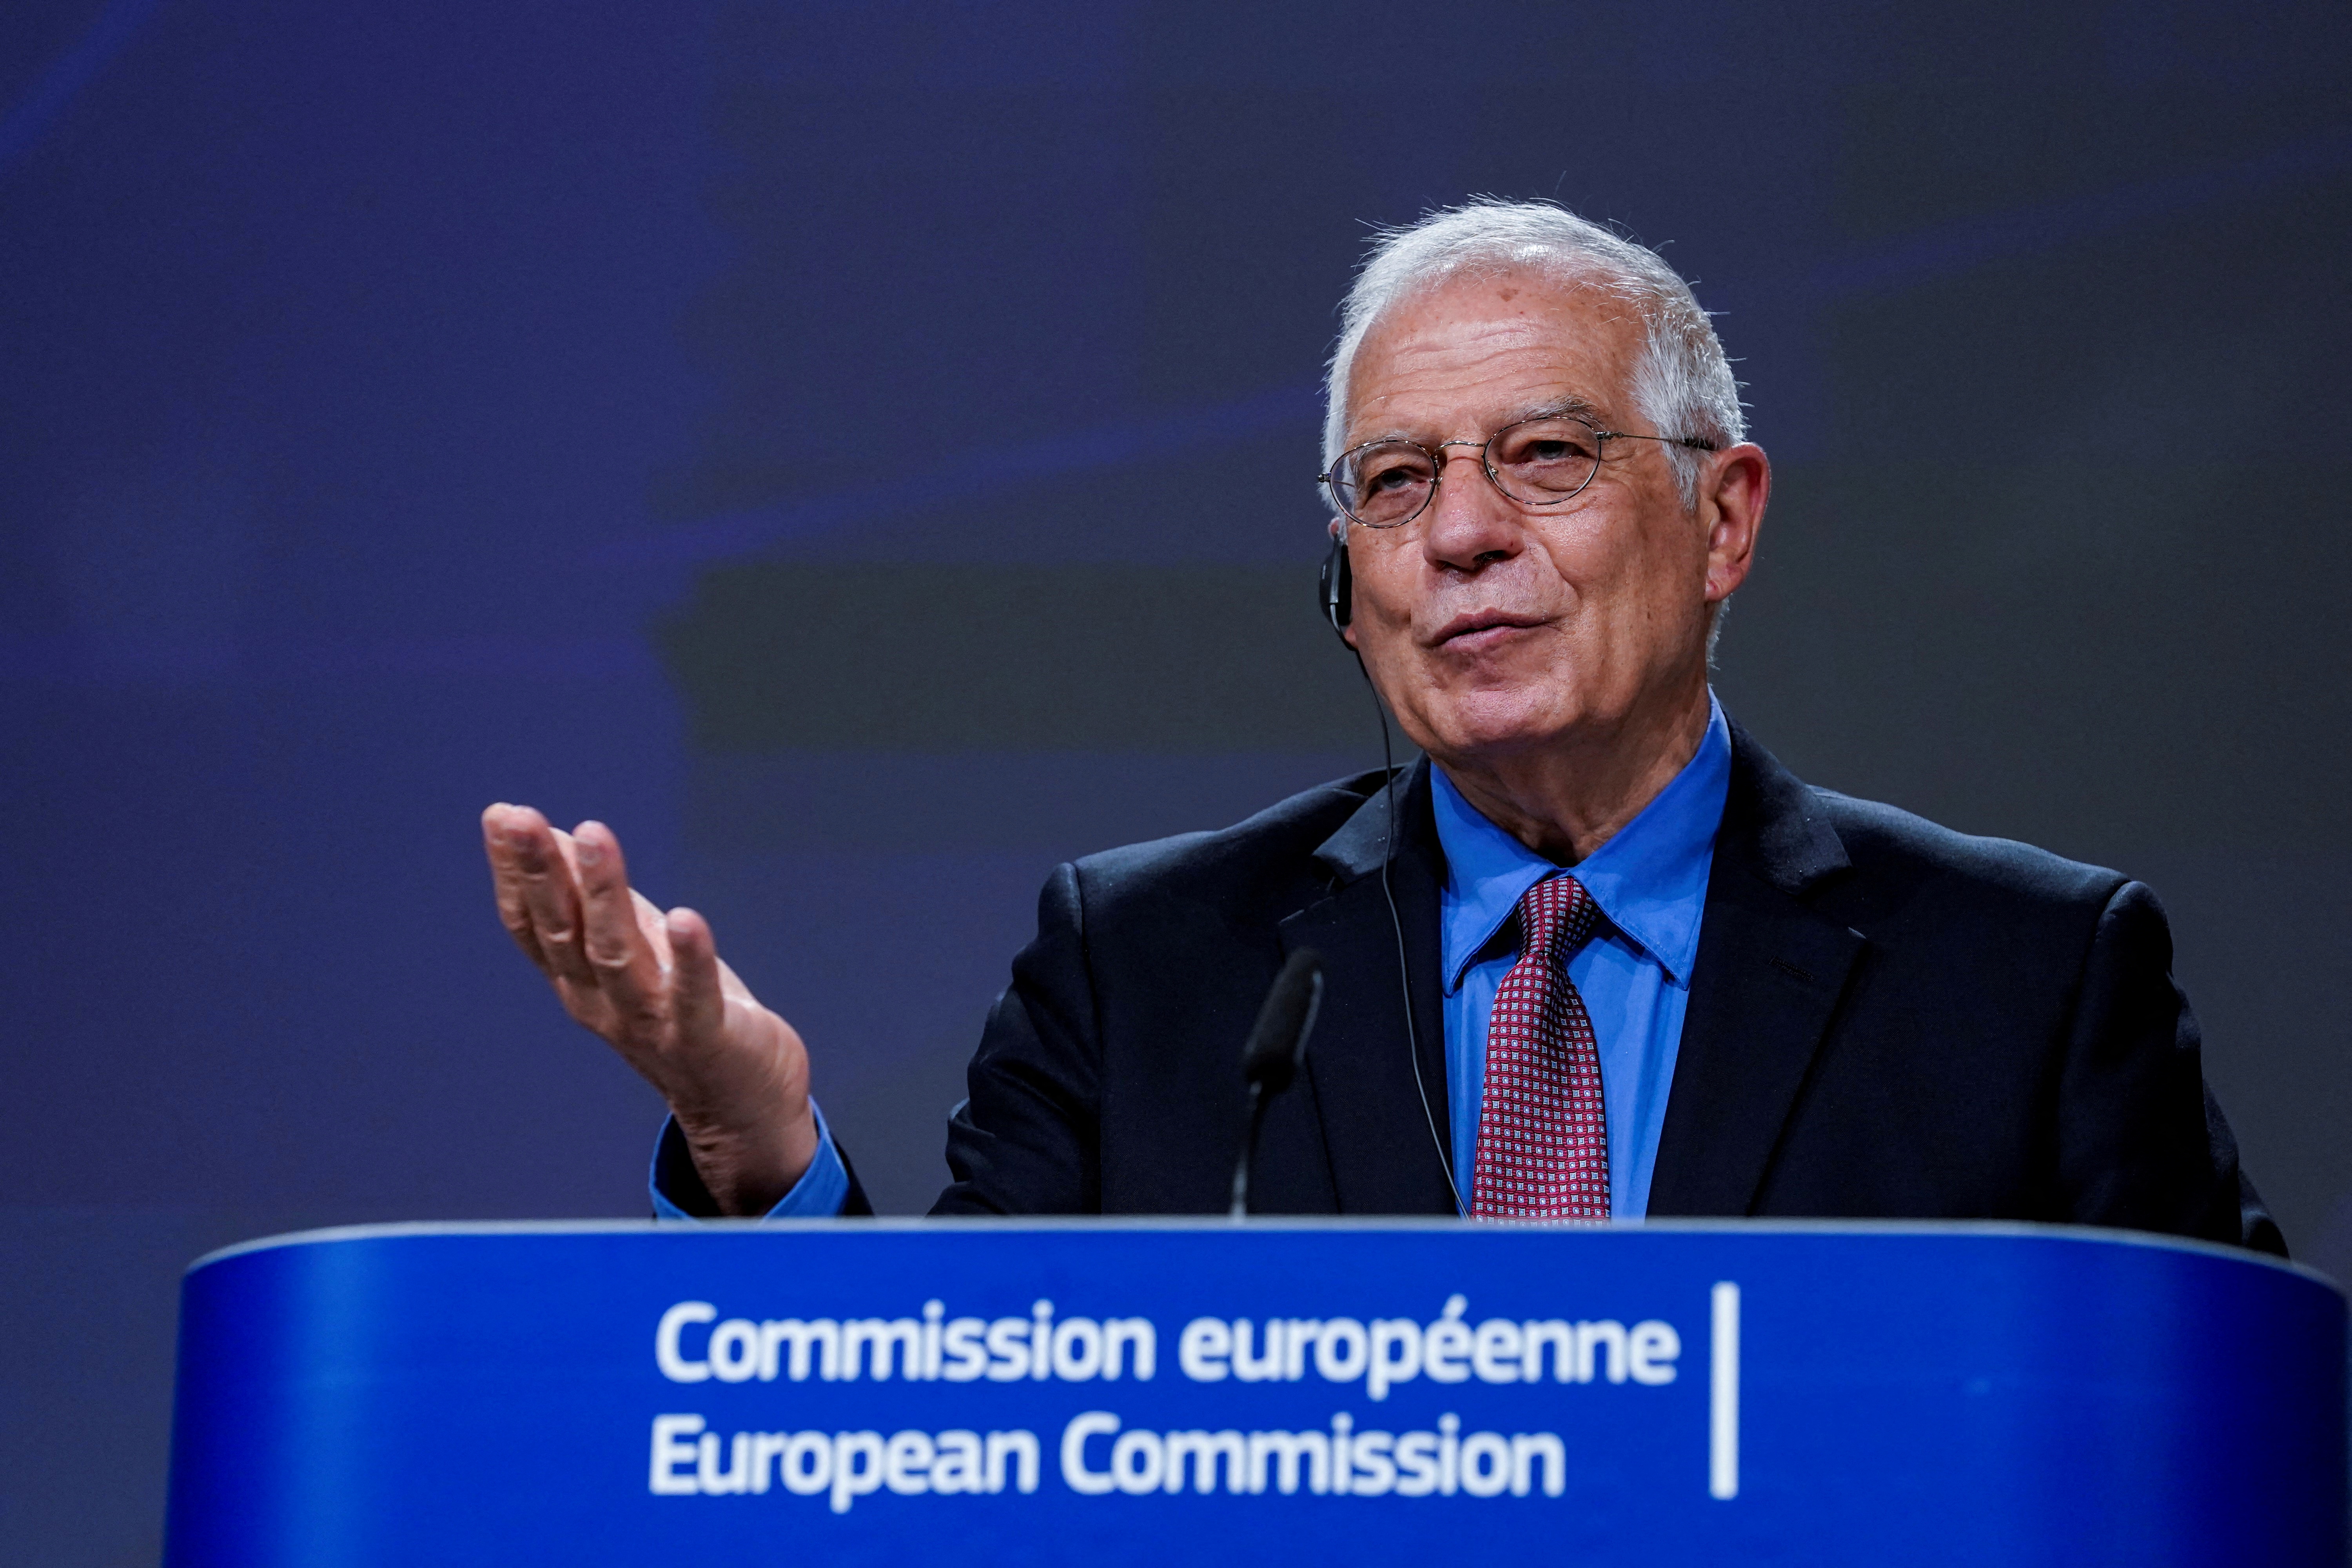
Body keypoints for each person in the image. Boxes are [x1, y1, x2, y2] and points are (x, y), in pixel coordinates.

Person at [481, 200, 2280, 1252]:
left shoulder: (2028, 979)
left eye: (1548, 455)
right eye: (1397, 480)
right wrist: (759, 1143)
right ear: (1349, 578)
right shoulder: (1147, 968)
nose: (1463, 532)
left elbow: (2243, 1450)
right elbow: (953, 1441)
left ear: (1724, 518)